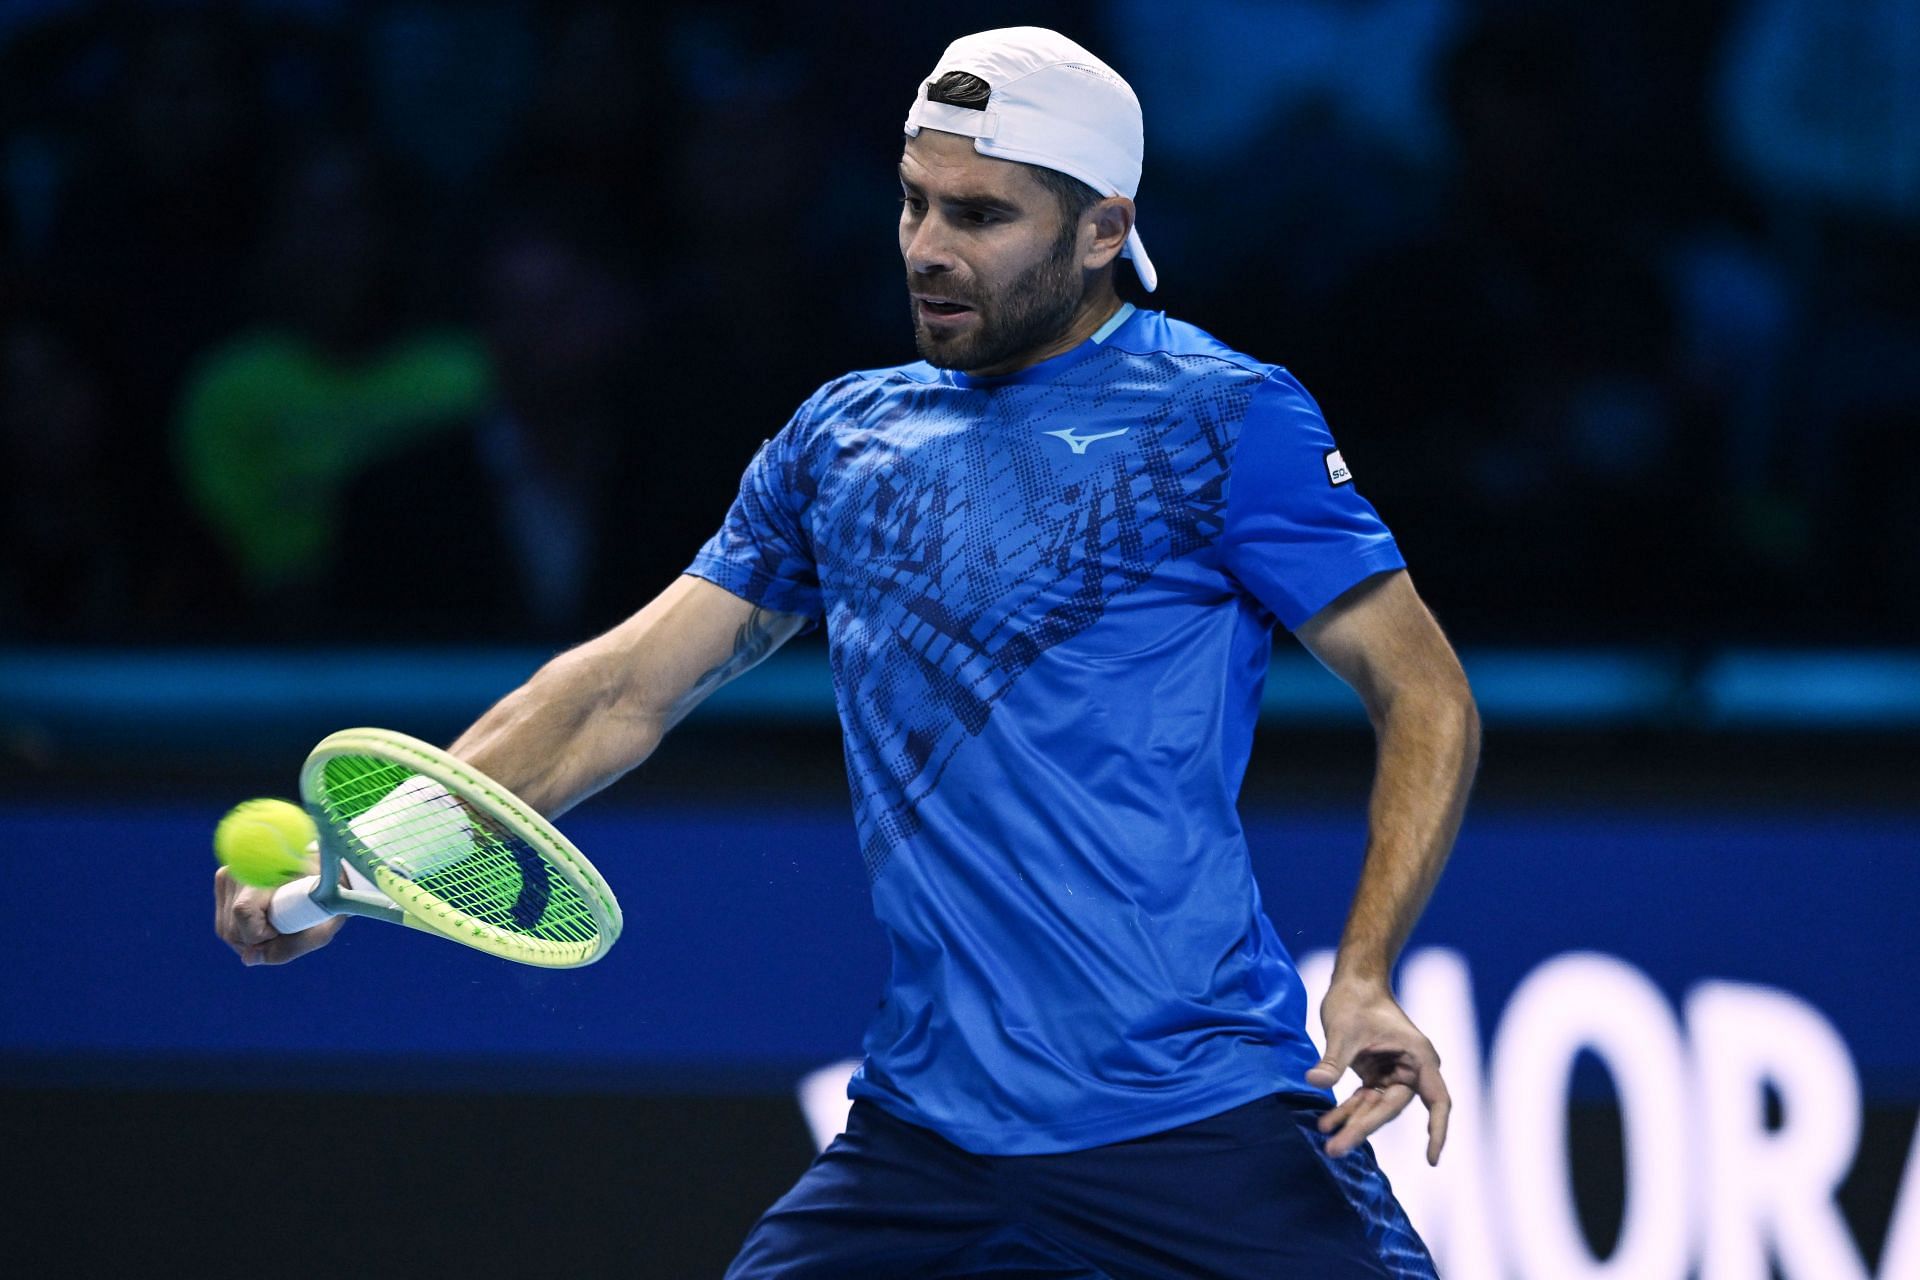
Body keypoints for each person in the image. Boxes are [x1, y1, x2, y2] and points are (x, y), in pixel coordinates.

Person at [214, 28, 1479, 1279]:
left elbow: (1424, 691)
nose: (929, 249)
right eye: (914, 202)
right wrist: (371, 858)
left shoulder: (1226, 416)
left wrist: (1364, 970)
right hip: (925, 1142)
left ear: (1103, 231)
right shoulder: (843, 438)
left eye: (981, 215)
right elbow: (619, 689)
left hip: (1195, 1116)